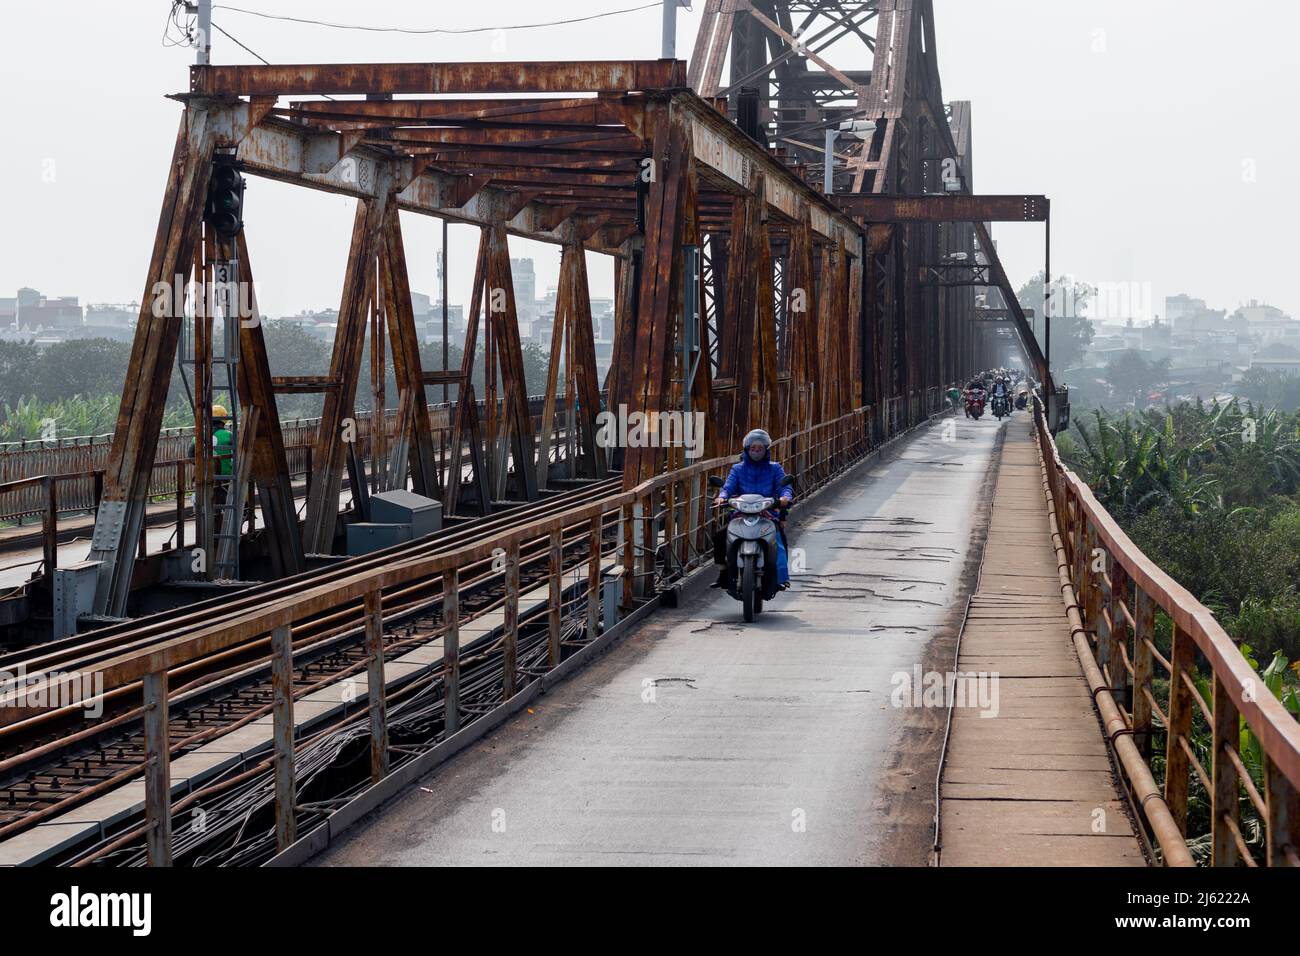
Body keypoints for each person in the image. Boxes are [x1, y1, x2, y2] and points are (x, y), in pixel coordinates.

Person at [711, 428, 794, 594]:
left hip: (767, 513)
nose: (756, 452)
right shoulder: (738, 469)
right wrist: (722, 497)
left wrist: (785, 497)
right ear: (747, 450)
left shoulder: (775, 468)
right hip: (741, 512)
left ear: (766, 450)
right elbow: (728, 487)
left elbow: (785, 487)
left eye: (760, 449)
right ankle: (723, 571)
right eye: (753, 449)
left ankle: (780, 577)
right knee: (720, 537)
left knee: (779, 540)